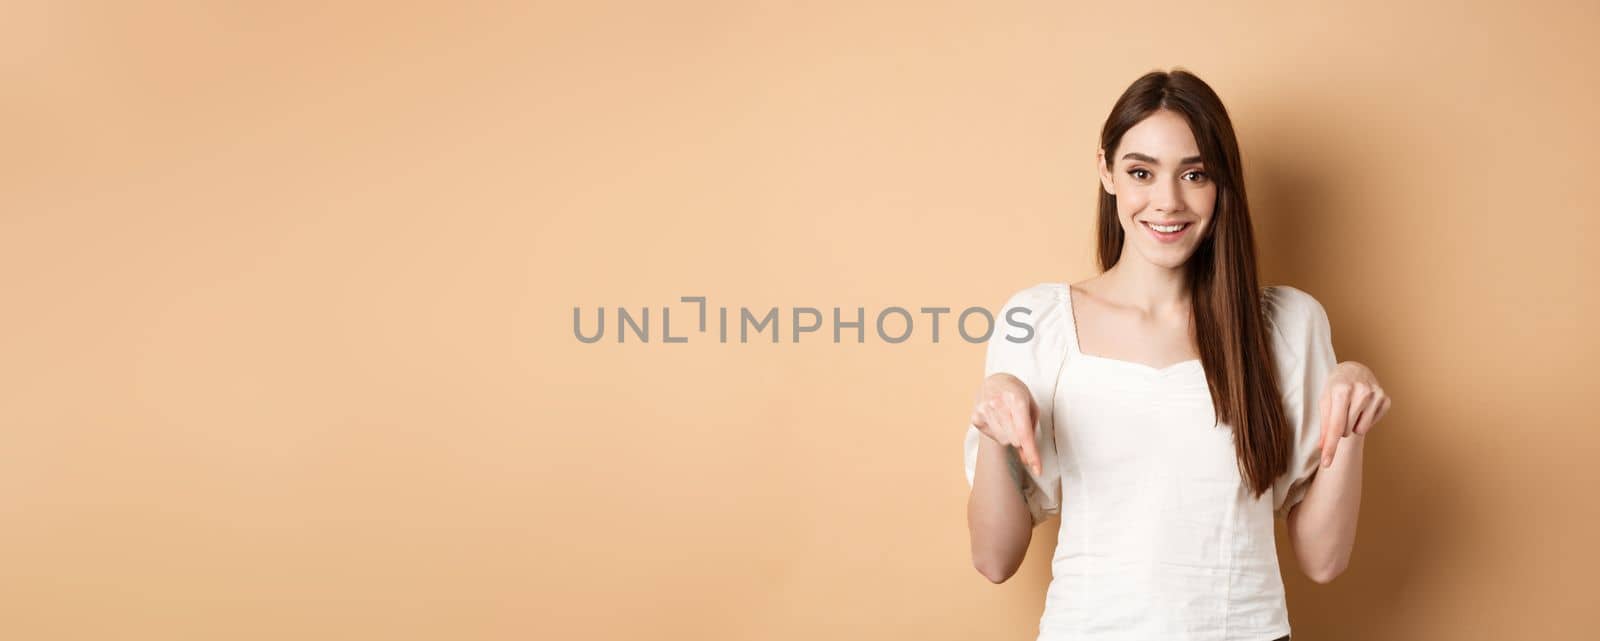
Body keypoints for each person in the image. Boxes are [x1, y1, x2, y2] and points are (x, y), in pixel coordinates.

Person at [962, 69, 1394, 641]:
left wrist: (1351, 422)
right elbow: (995, 560)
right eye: (1141, 172)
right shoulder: (1037, 322)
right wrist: (993, 421)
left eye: (1194, 174)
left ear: (1222, 185)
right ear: (1106, 172)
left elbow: (1323, 560)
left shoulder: (1288, 326)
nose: (1167, 202)